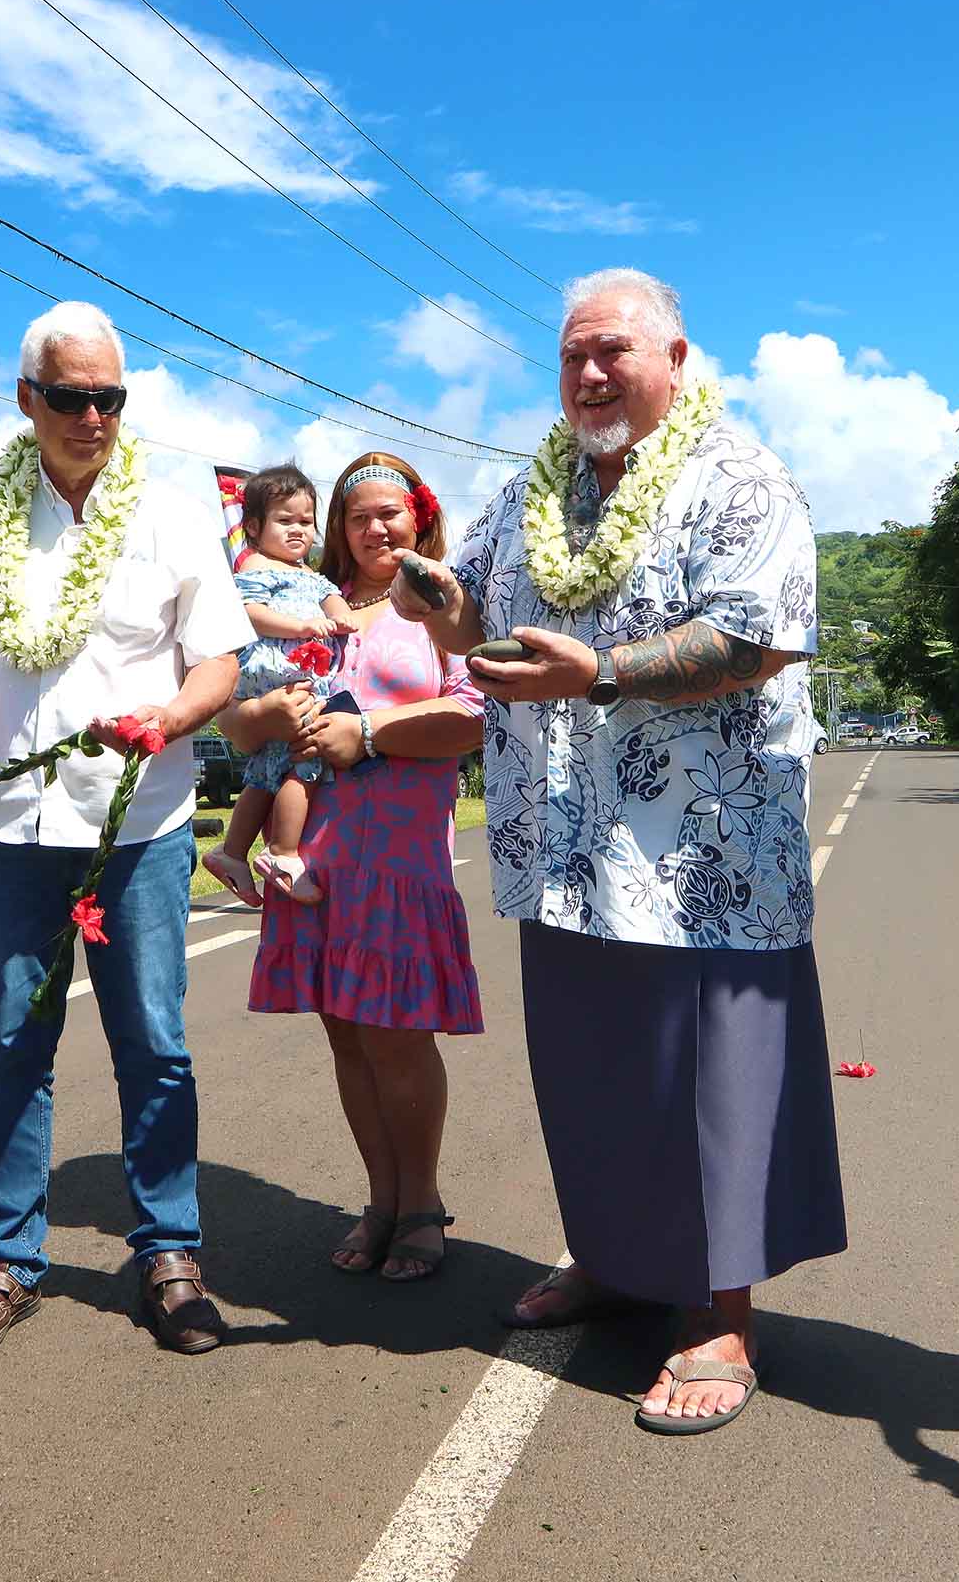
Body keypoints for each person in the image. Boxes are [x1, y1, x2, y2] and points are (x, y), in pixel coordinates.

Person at [395, 267, 845, 1437]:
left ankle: (721, 1314)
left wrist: (598, 670)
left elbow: (755, 638)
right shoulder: (529, 490)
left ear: (677, 360)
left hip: (706, 856)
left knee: (711, 1087)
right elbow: (476, 619)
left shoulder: (741, 481)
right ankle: (612, 1259)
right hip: (564, 846)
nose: (590, 374)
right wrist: (432, 595)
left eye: (614, 352)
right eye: (572, 355)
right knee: (590, 1077)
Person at [0, 300, 252, 1364]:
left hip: (140, 823)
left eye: (110, 398)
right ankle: (4, 1261)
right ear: (25, 399)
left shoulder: (174, 515)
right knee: (11, 1047)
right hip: (7, 822)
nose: (92, 417)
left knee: (154, 1045)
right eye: (71, 397)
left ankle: (170, 1254)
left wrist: (176, 717)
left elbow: (218, 659)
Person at [226, 453, 484, 1282]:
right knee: (346, 1036)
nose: (377, 527)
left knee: (396, 1037)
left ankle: (421, 1202)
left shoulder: (445, 604)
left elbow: (475, 714)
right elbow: (237, 721)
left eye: (392, 512)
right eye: (358, 514)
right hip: (314, 856)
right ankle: (379, 1199)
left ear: (419, 519)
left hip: (401, 858)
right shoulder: (308, 605)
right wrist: (261, 714)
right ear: (340, 528)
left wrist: (368, 733)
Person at [201, 463, 356, 907]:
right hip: (279, 675)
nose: (297, 531)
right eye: (284, 521)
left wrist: (341, 614)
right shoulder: (257, 567)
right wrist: (303, 626)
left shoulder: (311, 574)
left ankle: (232, 852)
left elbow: (336, 601)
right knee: (303, 764)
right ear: (252, 527)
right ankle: (284, 852)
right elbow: (250, 612)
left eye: (305, 522)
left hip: (297, 679)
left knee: (266, 774)